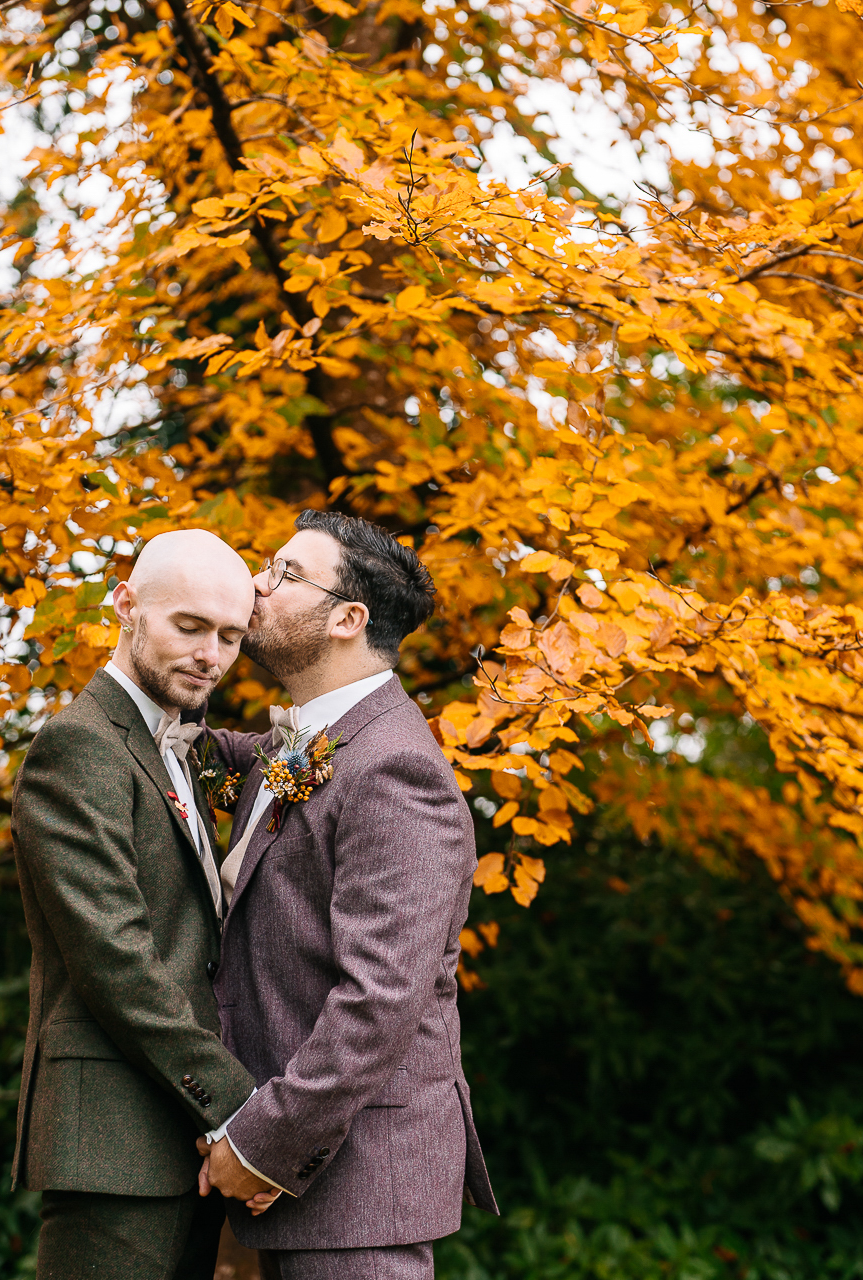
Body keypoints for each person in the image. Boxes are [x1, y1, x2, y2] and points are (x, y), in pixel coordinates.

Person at [196, 509, 497, 1279]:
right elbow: (200, 756)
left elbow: (378, 1001)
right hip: (302, 1182)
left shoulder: (398, 772)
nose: (255, 586)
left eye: (284, 574)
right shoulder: (303, 743)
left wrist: (261, 1144)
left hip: (359, 1181)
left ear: (347, 619)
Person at [9, 529, 261, 1280]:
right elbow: (115, 958)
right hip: (112, 1140)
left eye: (229, 636)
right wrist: (242, 1111)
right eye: (188, 627)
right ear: (127, 607)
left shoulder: (179, 749)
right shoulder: (79, 748)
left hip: (181, 1132)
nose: (209, 655)